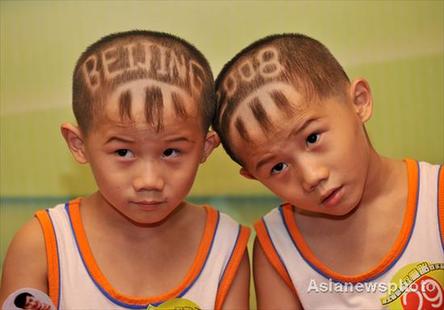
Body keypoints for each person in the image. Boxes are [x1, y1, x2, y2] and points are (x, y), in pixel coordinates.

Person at [0, 30, 250, 310]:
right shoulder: (42, 245)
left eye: (171, 152)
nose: (149, 181)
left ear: (206, 147)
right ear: (78, 144)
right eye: (123, 152)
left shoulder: (225, 243)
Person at [212, 33, 443, 309]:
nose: (311, 176)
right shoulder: (277, 247)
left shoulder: (435, 199)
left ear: (359, 101)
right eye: (278, 167)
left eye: (312, 138)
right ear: (253, 176)